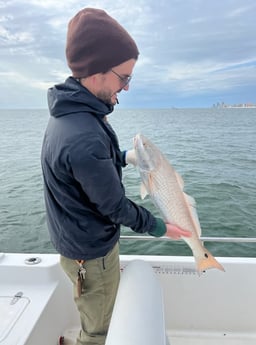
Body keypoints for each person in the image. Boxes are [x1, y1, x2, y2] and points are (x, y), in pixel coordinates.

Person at [41, 7, 191, 345]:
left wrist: (126, 157)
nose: (126, 87)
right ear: (96, 72)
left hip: (74, 242)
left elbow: (88, 171)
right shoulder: (83, 135)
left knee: (97, 314)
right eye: (124, 77)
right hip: (90, 256)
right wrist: (159, 227)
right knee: (99, 331)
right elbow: (114, 206)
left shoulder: (72, 113)